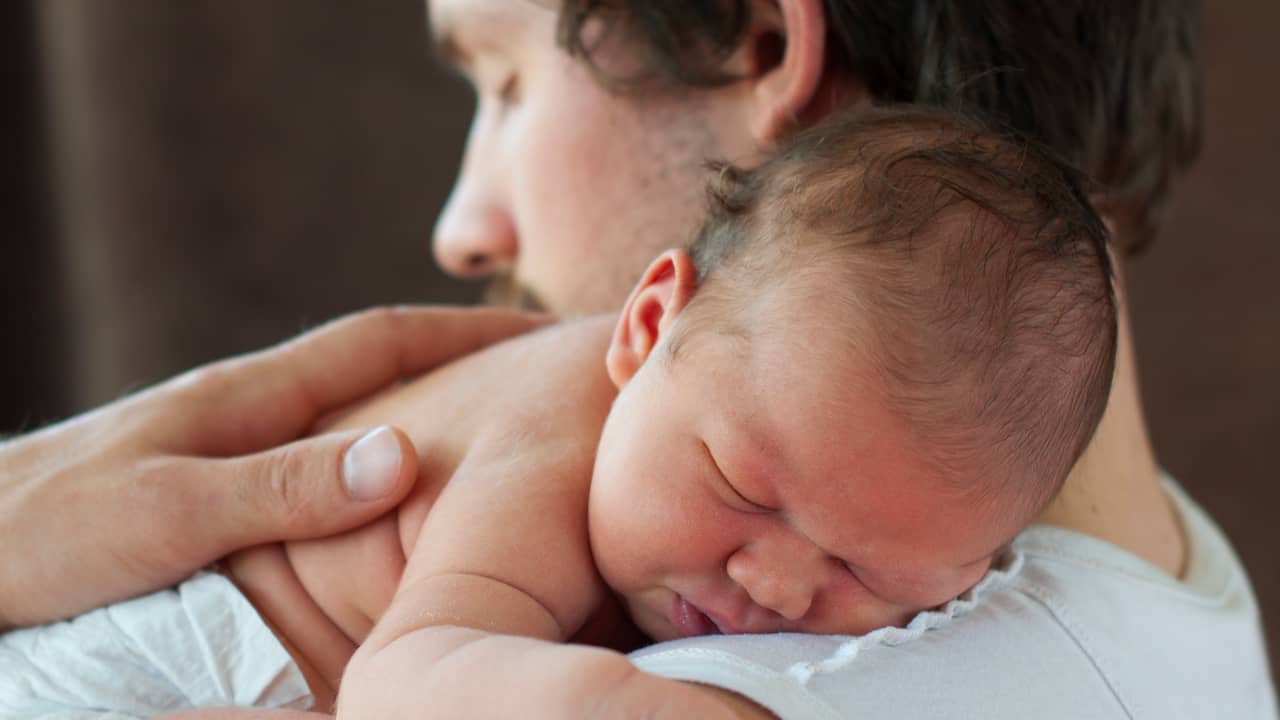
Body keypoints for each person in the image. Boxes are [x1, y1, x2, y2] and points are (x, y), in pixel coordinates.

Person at [1, 0, 1274, 717]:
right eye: (746, 485)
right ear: (654, 322)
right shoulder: (1180, 582)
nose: (462, 229)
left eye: (506, 81)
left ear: (765, 46)